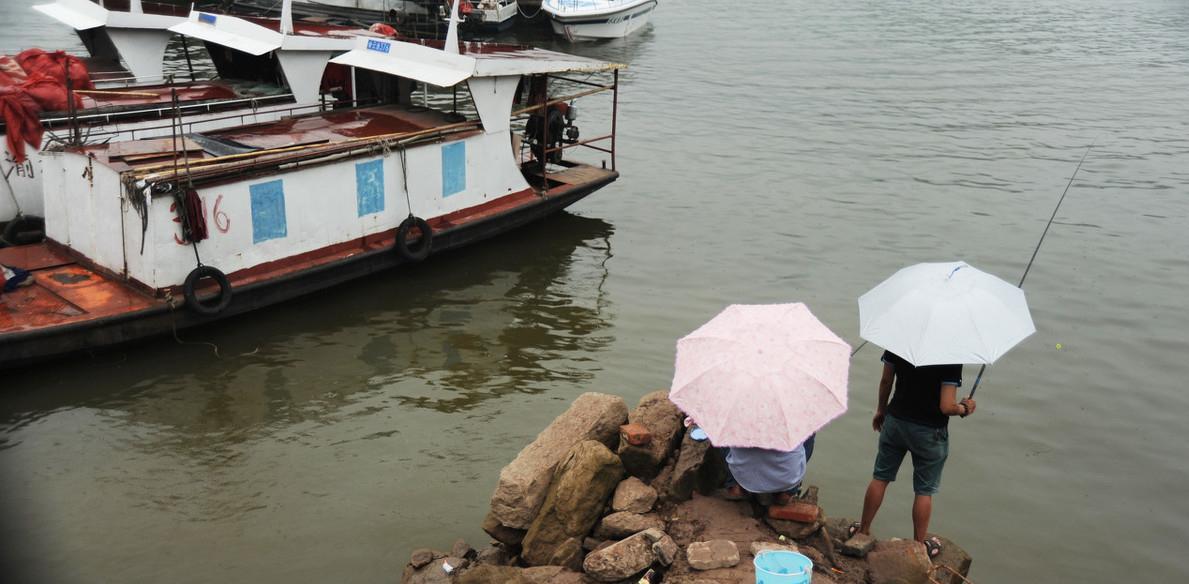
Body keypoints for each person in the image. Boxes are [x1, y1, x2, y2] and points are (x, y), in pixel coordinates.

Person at [852, 350, 976, 558]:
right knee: (923, 491)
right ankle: (919, 548)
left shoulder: (900, 340)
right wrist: (964, 408)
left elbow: (885, 381)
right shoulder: (951, 355)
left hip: (896, 421)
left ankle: (862, 532)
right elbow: (946, 407)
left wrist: (881, 410)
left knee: (880, 478)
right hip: (930, 432)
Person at [723, 433, 816, 506]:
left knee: (718, 430)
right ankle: (787, 492)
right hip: (785, 479)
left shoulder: (739, 411)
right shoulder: (793, 415)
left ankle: (734, 485)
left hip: (741, 473)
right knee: (809, 431)